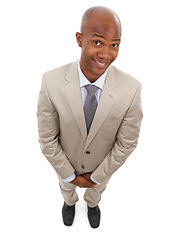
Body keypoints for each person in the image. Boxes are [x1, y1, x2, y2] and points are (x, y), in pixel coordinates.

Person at [37, 6, 143, 228]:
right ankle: (69, 203)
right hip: (64, 163)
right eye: (97, 42)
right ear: (79, 39)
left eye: (114, 45)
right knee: (65, 187)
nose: (106, 54)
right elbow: (47, 139)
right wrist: (69, 175)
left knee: (97, 193)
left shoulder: (131, 89)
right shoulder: (51, 81)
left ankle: (92, 205)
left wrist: (97, 176)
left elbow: (127, 143)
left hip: (102, 168)